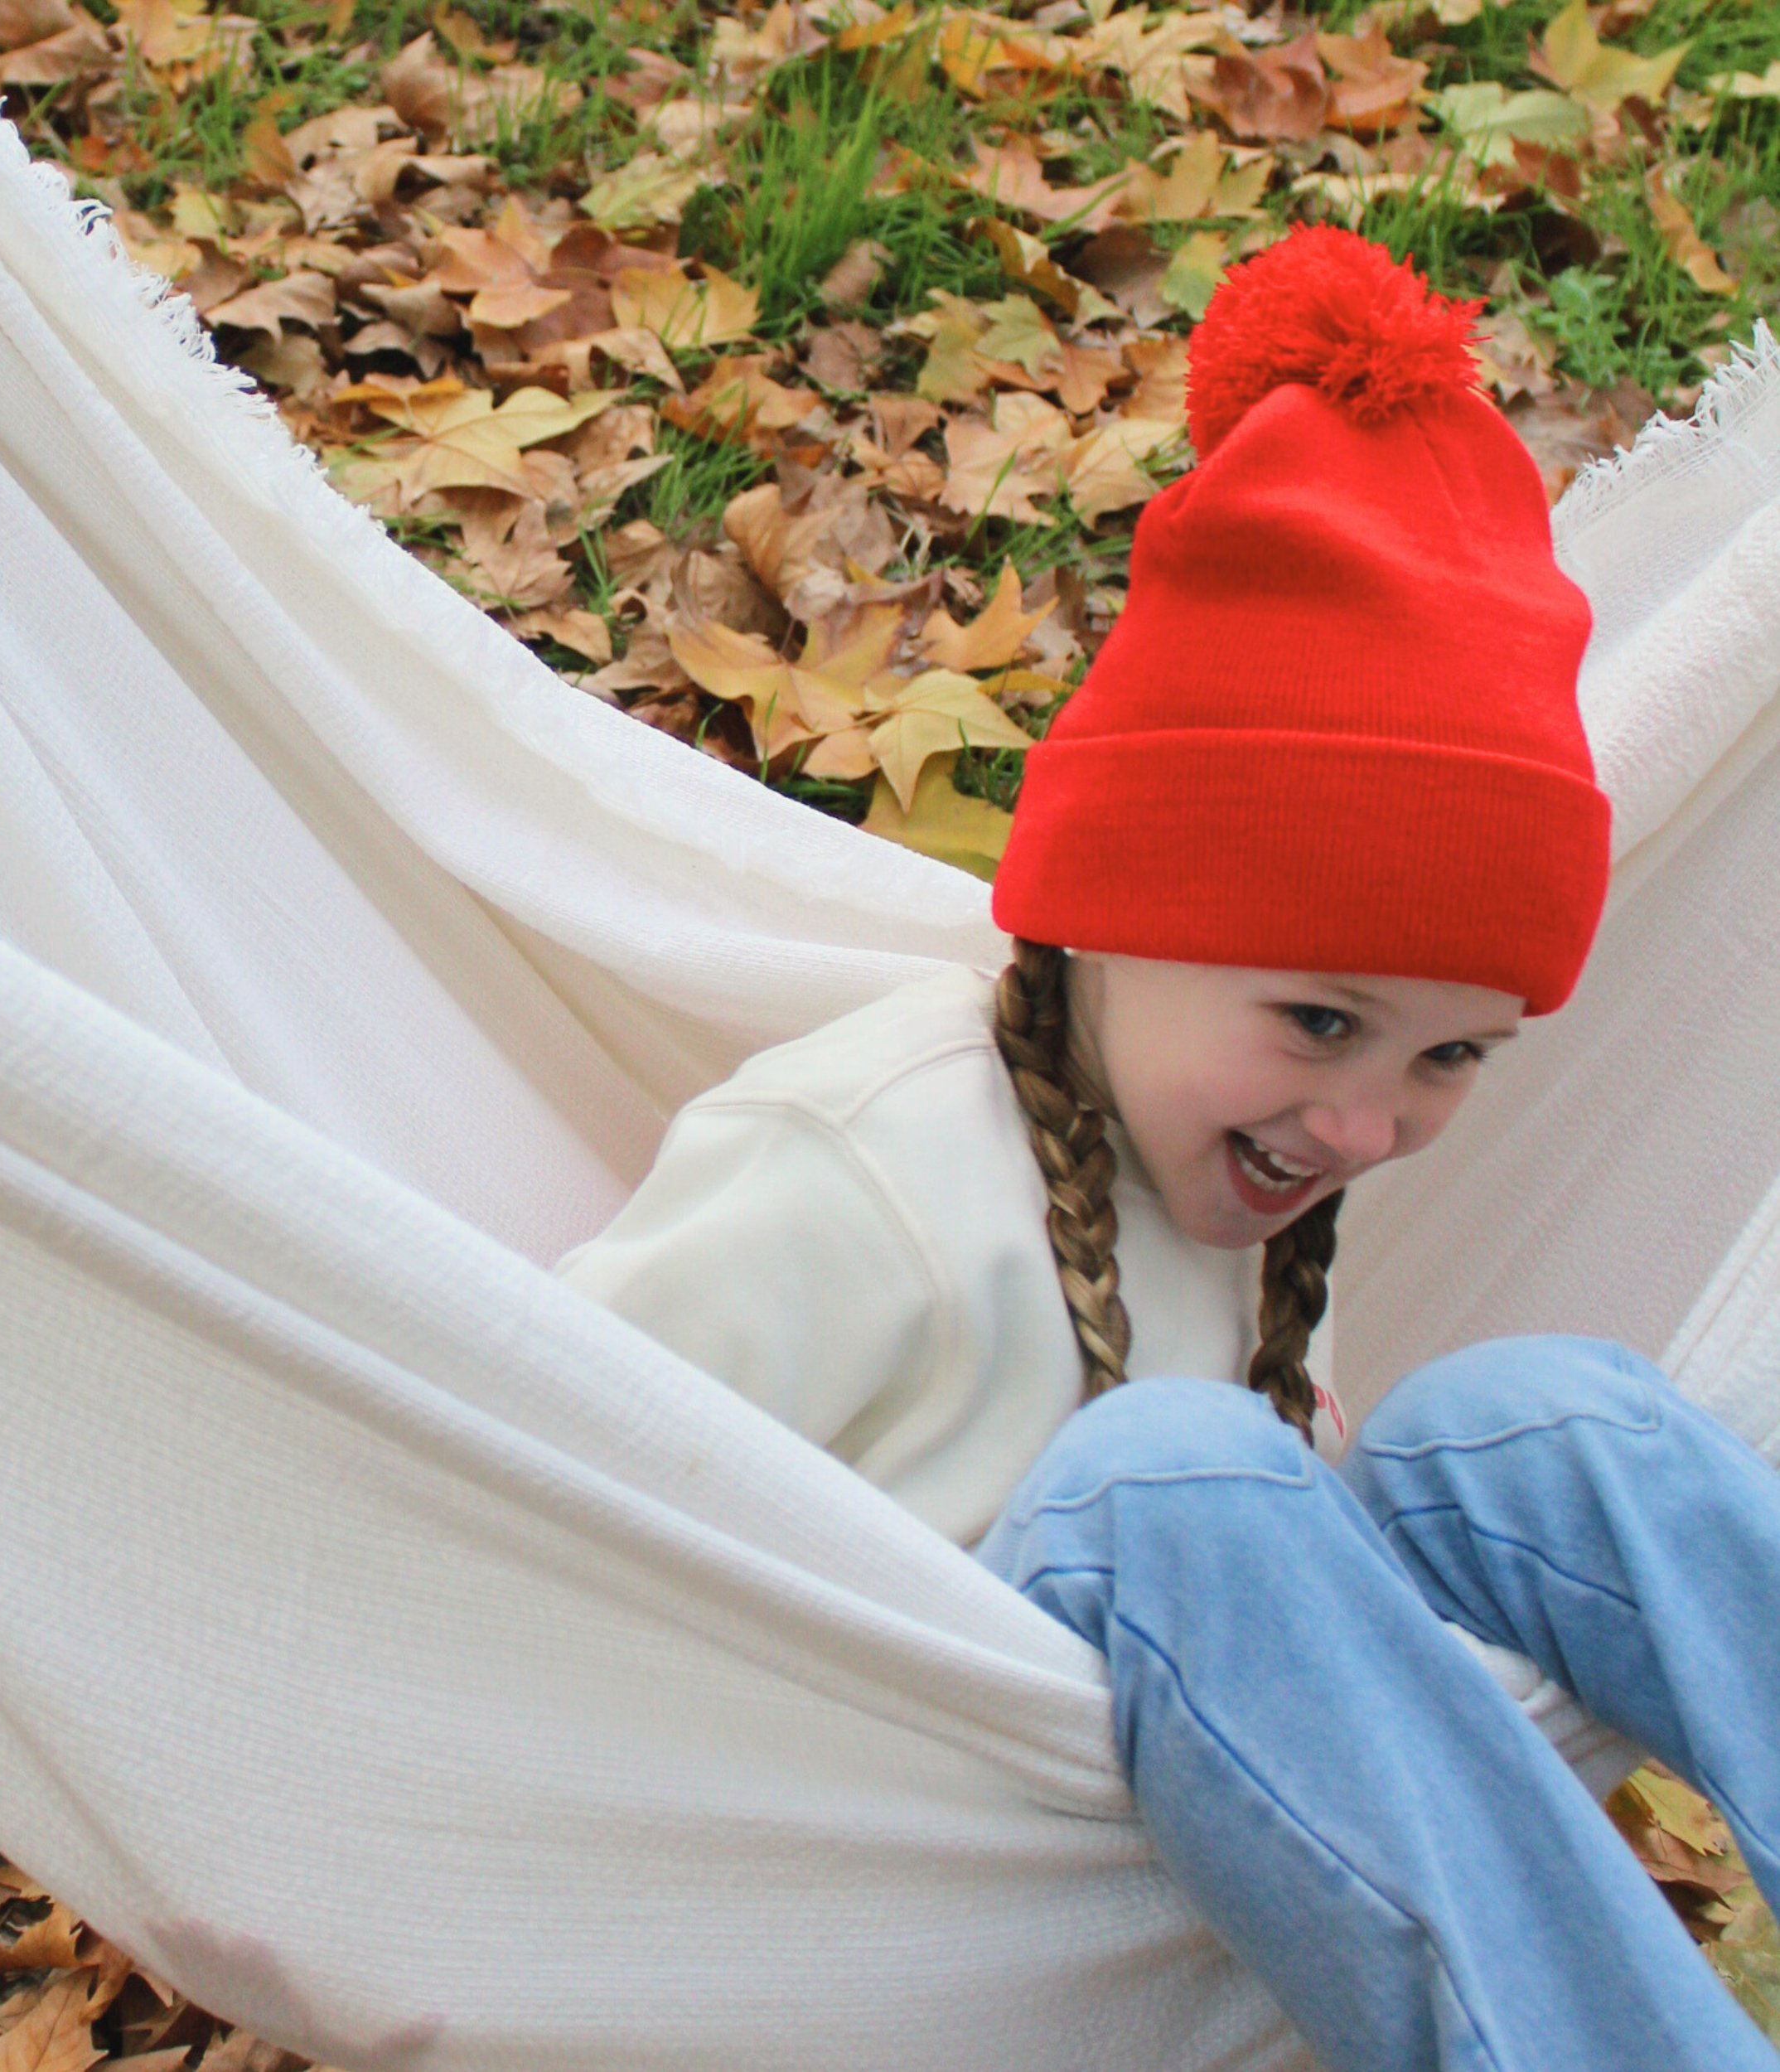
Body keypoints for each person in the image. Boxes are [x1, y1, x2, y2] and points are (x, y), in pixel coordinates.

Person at [557, 227, 1780, 2070]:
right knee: (1171, 1473)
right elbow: (520, 1486)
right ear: (1119, 920)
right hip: (878, 1847)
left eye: (1451, 1052)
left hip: (1191, 1782)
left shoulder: (1238, 1171)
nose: (1367, 1123)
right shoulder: (851, 1160)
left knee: (1542, 1426)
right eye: (1315, 1019)